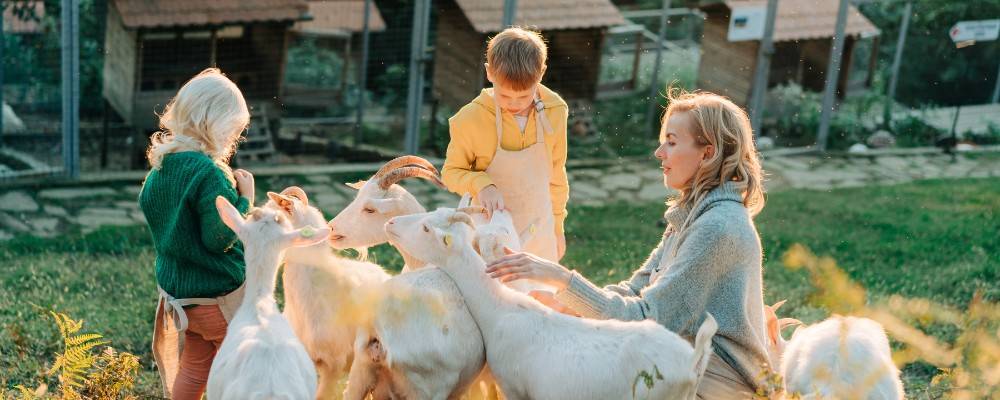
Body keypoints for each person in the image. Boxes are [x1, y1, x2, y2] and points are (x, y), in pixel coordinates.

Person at [487, 90, 771, 398]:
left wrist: (561, 278)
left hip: (720, 384)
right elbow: (634, 292)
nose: (659, 153)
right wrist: (564, 302)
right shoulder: (693, 217)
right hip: (682, 365)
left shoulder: (717, 227)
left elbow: (645, 319)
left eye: (672, 142)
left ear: (707, 153)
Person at [138, 68, 254, 400]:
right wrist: (245, 199)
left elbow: (154, 209)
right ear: (213, 123)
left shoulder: (160, 169)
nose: (233, 140)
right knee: (244, 368)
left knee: (194, 367)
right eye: (233, 131)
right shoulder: (210, 173)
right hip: (221, 298)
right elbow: (218, 238)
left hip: (183, 300)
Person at [442, 27, 570, 261]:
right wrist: (482, 185)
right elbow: (451, 172)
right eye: (504, 96)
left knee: (536, 294)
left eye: (523, 96)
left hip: (539, 227)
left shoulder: (555, 111)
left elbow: (556, 174)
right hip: (488, 231)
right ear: (490, 73)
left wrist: (557, 227)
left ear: (541, 74)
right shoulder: (469, 119)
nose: (514, 104)